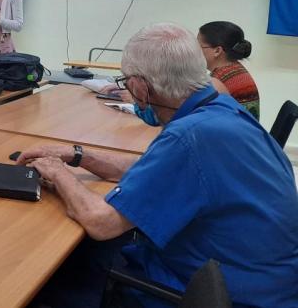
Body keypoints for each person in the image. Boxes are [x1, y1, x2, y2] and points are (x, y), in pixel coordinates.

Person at [17, 23, 298, 307]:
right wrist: (78, 155)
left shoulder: (189, 136)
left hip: (217, 294)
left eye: (126, 82)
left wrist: (56, 171)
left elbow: (100, 222)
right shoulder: (223, 111)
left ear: (140, 87)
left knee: (51, 275)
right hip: (266, 281)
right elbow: (154, 169)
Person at [198, 21, 260, 119]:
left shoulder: (219, 80)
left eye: (198, 46)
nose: (194, 51)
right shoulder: (234, 68)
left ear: (217, 51)